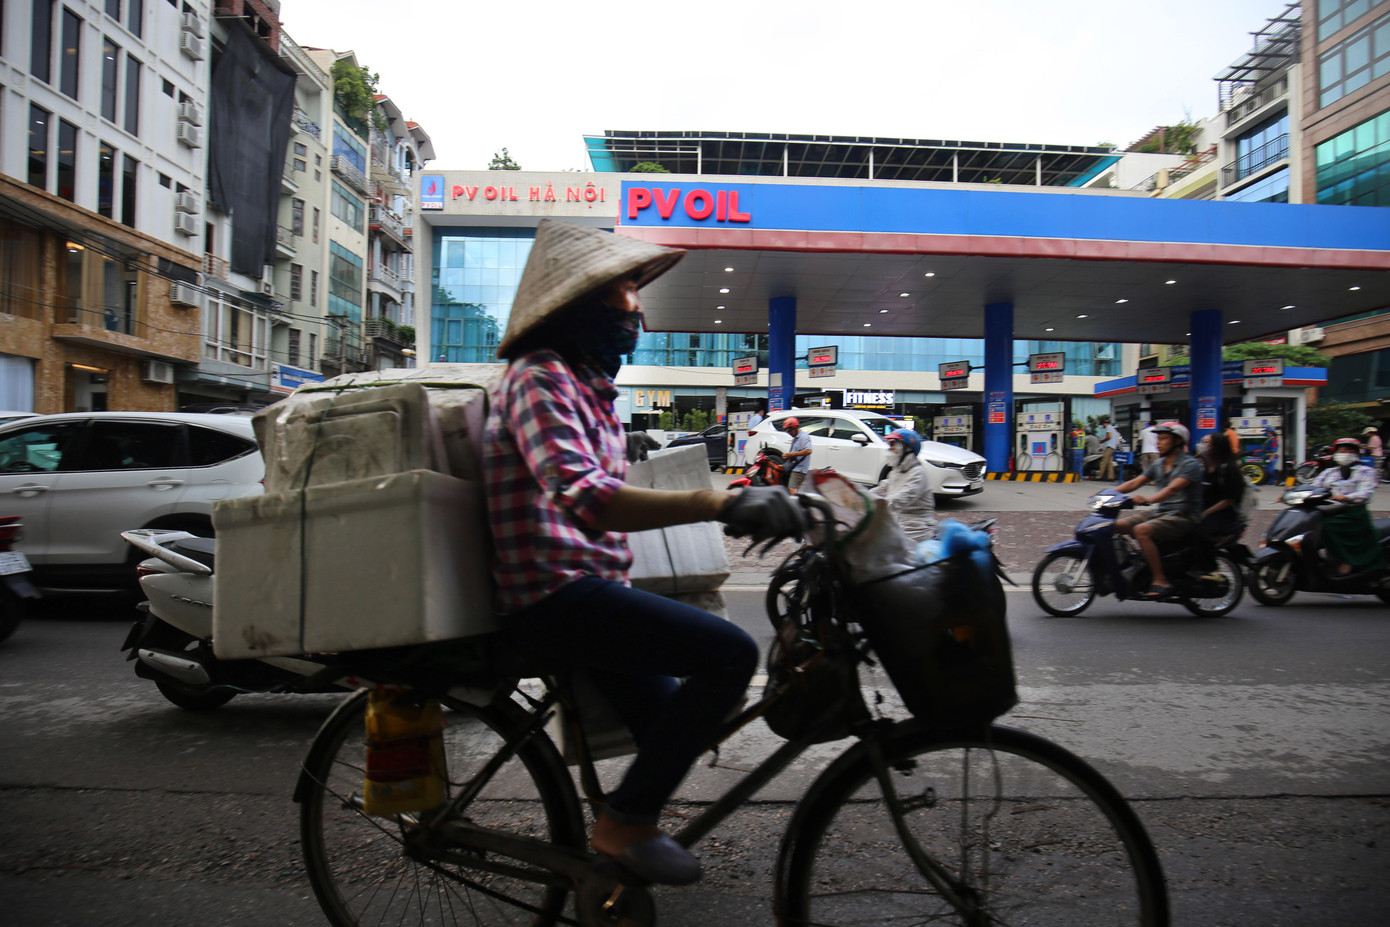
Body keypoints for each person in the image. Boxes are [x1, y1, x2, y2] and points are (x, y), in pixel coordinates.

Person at [483, 219, 805, 885]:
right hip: (552, 594)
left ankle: (616, 840)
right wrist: (718, 503)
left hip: (593, 588)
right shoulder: (538, 377)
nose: (639, 312)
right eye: (624, 296)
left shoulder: (589, 389)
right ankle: (623, 823)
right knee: (730, 653)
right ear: (577, 305)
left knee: (672, 726)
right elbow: (586, 497)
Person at [1113, 421, 1203, 597]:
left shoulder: (1191, 465)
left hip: (1183, 515)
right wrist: (1106, 493)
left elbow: (1172, 489)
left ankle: (1160, 579)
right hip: (1161, 513)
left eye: (1163, 439)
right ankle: (1138, 564)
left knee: (1142, 531)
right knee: (1117, 525)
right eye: (1158, 439)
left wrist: (1148, 499)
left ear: (1177, 441)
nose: (1158, 443)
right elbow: (1135, 482)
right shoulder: (1159, 464)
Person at [1310, 437, 1386, 575]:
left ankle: (1347, 561)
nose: (1345, 452)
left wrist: (1347, 497)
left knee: (1326, 526)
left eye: (1349, 450)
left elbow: (1365, 492)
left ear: (1357, 453)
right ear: (1335, 453)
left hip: (1352, 512)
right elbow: (1313, 487)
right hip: (1329, 510)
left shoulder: (1366, 471)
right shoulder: (1329, 472)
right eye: (1342, 450)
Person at [869, 428, 936, 542]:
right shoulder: (896, 471)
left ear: (905, 448)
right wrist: (858, 494)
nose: (889, 449)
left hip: (916, 528)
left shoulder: (918, 473)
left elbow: (901, 499)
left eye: (893, 445)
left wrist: (872, 506)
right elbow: (882, 488)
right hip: (898, 523)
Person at [1194, 433, 1247, 574]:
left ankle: (1208, 569)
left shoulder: (1228, 468)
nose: (1202, 445)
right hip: (1203, 511)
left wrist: (1206, 513)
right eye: (1202, 441)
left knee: (1199, 533)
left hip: (1223, 515)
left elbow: (1231, 498)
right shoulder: (1203, 467)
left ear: (1217, 447)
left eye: (1207, 443)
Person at [783, 416, 813, 494]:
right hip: (794, 467)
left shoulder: (803, 437)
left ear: (795, 428)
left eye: (790, 431)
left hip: (799, 469)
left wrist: (792, 454)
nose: (789, 433)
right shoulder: (795, 438)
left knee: (792, 489)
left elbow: (809, 451)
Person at [1098, 416, 1123, 481]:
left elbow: (1109, 436)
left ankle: (1100, 476)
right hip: (1113, 447)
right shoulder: (1113, 428)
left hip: (1109, 447)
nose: (1102, 425)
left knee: (1103, 462)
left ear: (1104, 423)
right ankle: (1111, 477)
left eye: (1102, 424)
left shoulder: (1108, 427)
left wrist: (1102, 441)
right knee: (1109, 463)